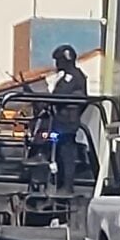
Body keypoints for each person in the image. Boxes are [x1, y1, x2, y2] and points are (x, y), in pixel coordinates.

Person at [50, 44, 88, 193]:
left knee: (67, 154)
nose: (57, 64)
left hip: (67, 122)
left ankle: (67, 186)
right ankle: (62, 185)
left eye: (58, 60)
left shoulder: (72, 76)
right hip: (63, 121)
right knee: (61, 153)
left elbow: (60, 94)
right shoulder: (70, 76)